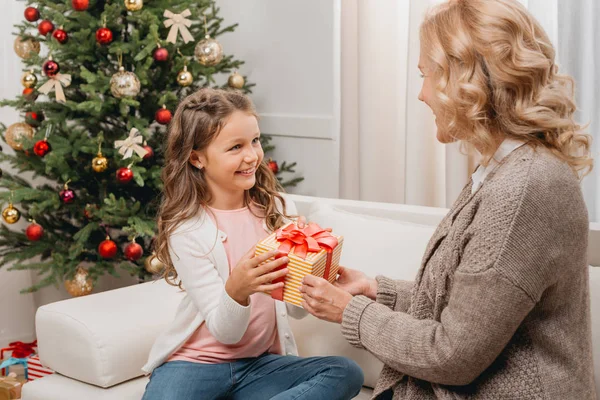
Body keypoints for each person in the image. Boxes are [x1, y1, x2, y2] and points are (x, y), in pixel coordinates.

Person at [300, 0, 595, 399]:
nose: (421, 94)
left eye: (426, 74)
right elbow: (474, 311)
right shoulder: (506, 169)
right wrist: (373, 290)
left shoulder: (524, 188)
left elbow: (452, 354)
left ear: (467, 79)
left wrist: (349, 312)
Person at [141, 88, 364, 400]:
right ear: (197, 158)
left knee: (345, 372)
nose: (252, 156)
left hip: (258, 367)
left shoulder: (278, 210)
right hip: (194, 366)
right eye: (235, 147)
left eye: (255, 141)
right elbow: (226, 332)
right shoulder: (187, 229)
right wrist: (238, 289)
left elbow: (294, 312)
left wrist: (312, 274)